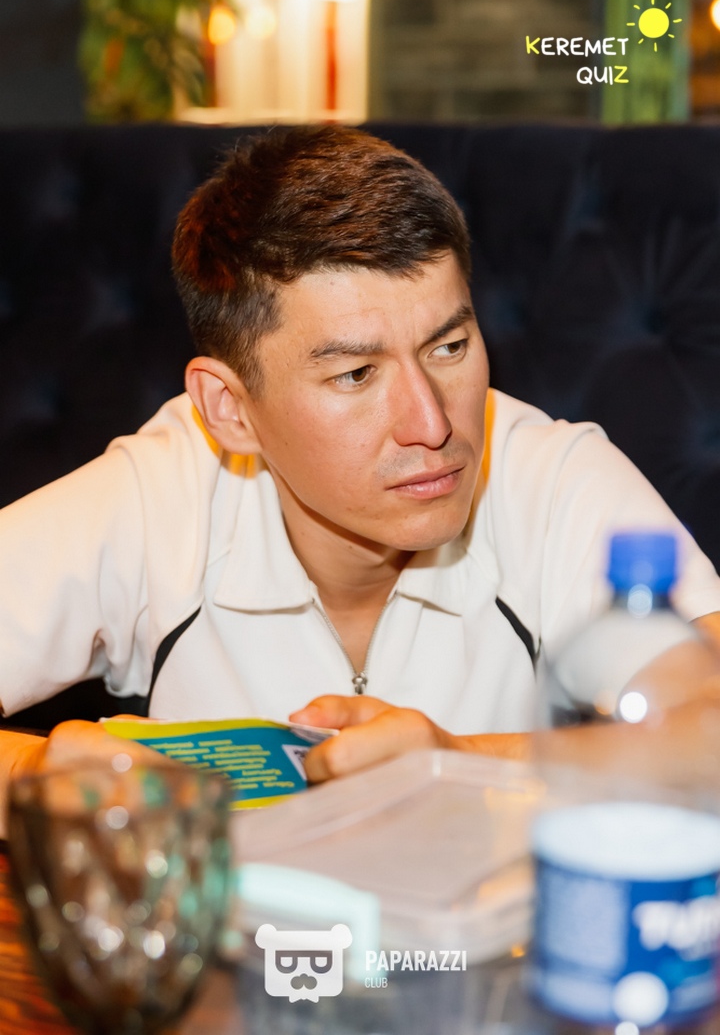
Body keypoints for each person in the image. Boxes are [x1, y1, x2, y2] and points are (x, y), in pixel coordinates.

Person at [1, 125, 719, 823]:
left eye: (449, 346)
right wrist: (31, 777)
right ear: (231, 410)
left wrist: (459, 762)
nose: (432, 425)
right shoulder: (162, 493)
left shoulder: (553, 480)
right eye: (355, 374)